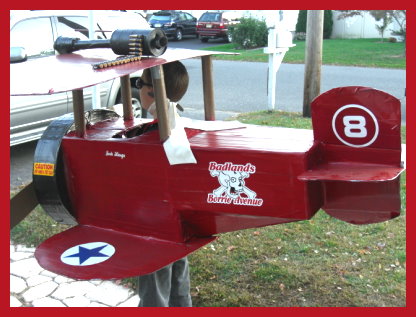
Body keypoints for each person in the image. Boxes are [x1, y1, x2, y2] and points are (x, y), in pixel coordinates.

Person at [135, 61, 192, 307]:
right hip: (180, 215)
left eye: (139, 84)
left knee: (154, 275)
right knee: (178, 266)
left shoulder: (157, 130)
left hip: (155, 218)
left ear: (151, 92)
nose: (137, 89)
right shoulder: (179, 122)